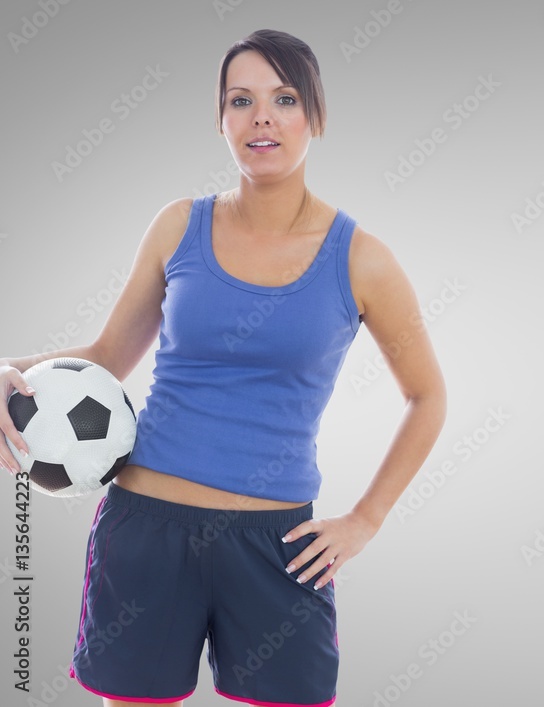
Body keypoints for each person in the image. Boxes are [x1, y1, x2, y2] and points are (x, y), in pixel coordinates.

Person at [0, 28, 446, 707]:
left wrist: (365, 518)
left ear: (315, 116)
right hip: (146, 530)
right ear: (220, 119)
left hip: (280, 547)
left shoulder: (363, 260)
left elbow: (427, 395)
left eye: (285, 98)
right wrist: (7, 368)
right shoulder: (178, 226)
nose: (261, 116)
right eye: (241, 100)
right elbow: (105, 358)